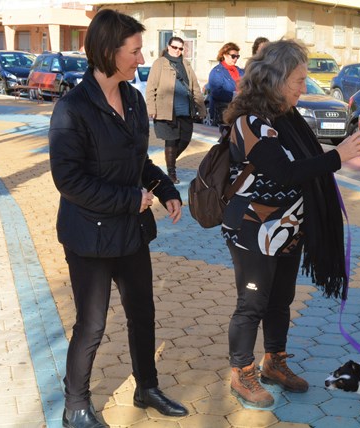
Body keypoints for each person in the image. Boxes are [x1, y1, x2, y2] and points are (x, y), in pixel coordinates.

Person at [49, 9, 188, 428]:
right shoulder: (72, 108)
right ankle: (75, 405)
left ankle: (147, 387)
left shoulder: (130, 97)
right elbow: (68, 180)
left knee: (142, 314)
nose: (141, 58)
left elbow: (137, 160)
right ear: (109, 52)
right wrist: (132, 199)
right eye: (134, 50)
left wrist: (165, 190)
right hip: (89, 238)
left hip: (129, 233)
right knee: (91, 325)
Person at [221, 39, 360, 408]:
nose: (304, 88)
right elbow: (285, 172)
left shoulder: (286, 116)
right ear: (274, 79)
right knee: (252, 303)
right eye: (298, 80)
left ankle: (274, 361)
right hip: (254, 228)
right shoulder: (249, 122)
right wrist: (339, 156)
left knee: (281, 300)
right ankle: (242, 372)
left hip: (286, 229)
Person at [146, 36, 205, 184]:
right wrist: (151, 107)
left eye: (180, 48)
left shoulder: (186, 64)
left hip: (185, 110)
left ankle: (168, 163)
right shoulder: (159, 63)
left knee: (185, 139)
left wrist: (201, 108)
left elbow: (195, 87)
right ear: (168, 46)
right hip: (166, 110)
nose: (177, 51)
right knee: (171, 141)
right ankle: (171, 172)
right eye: (174, 47)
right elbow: (151, 86)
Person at [208, 42, 244, 126]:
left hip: (239, 111)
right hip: (223, 112)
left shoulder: (240, 71)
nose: (235, 59)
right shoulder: (217, 72)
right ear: (224, 55)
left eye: (237, 57)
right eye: (233, 56)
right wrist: (234, 95)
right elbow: (216, 92)